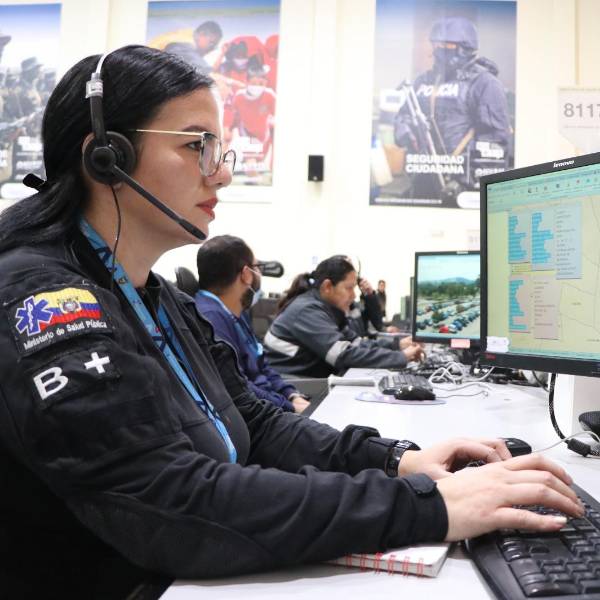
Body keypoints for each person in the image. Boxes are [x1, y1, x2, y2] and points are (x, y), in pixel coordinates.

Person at [0, 45, 582, 599]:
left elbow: (255, 423)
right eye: (198, 145)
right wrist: (431, 506)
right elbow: (172, 504)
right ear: (106, 156)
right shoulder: (45, 299)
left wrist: (400, 461)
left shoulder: (153, 295)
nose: (221, 174)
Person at [393, 16, 512, 203]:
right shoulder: (424, 81)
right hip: (423, 177)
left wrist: (467, 181)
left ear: (464, 48)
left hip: (461, 186)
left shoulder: (484, 83)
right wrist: (404, 129)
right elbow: (404, 116)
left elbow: (494, 142)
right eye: (436, 44)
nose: (438, 50)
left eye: (446, 45)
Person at [195, 234, 310, 414]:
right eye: (257, 267)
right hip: (258, 414)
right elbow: (240, 387)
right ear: (247, 274)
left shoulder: (235, 312)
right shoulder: (211, 319)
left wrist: (291, 395)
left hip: (271, 404)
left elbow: (261, 364)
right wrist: (290, 407)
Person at [263, 256, 428, 377]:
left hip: (312, 380)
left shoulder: (328, 310)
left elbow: (356, 343)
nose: (354, 295)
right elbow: (343, 356)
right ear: (328, 286)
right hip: (297, 387)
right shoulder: (307, 311)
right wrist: (401, 357)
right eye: (349, 288)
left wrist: (398, 345)